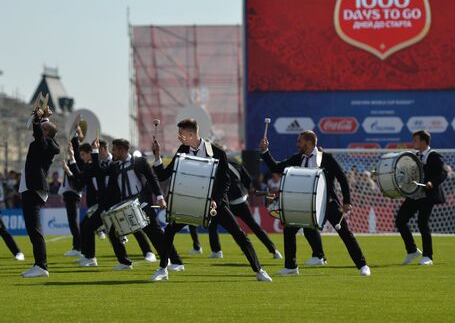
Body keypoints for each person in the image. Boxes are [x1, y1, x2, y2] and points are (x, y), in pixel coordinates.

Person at [150, 119, 272, 282]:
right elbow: (163, 175)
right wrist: (157, 156)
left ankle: (259, 270)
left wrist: (216, 200)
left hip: (213, 203)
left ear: (191, 134)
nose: (179, 137)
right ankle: (163, 269)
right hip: (190, 202)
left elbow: (226, 181)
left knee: (239, 235)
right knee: (170, 231)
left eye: (182, 134)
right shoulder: (182, 150)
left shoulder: (217, 152)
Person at [260, 130, 371, 276]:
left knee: (344, 232)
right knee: (289, 229)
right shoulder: (298, 158)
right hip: (304, 204)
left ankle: (363, 265)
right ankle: (291, 266)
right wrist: (265, 151)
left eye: (300, 141)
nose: (297, 144)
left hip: (328, 202)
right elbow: (276, 167)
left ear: (309, 142)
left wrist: (347, 200)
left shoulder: (326, 158)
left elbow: (342, 178)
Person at [96, 138, 183, 271]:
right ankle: (124, 262)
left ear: (121, 149)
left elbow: (152, 179)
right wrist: (95, 152)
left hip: (142, 203)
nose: (112, 152)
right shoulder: (114, 166)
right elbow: (100, 173)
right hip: (126, 205)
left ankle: (176, 262)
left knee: (155, 233)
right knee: (114, 232)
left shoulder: (139, 161)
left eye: (114, 149)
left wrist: (160, 197)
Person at [208, 158, 282, 260]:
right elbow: (248, 182)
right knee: (254, 227)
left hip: (227, 203)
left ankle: (217, 251)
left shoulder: (214, 166)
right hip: (241, 200)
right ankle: (274, 251)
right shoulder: (234, 162)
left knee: (216, 225)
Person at [19, 106, 60, 278]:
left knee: (34, 230)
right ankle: (39, 265)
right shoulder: (45, 143)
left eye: (42, 126)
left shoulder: (44, 144)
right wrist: (42, 117)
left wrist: (38, 118)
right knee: (33, 230)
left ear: (45, 132)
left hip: (34, 190)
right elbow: (38, 130)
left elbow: (38, 133)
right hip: (32, 189)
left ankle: (41, 266)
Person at [397, 130, 446, 266]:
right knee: (400, 220)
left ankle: (428, 256)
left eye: (416, 140)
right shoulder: (415, 156)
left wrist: (432, 183)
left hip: (427, 195)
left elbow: (443, 174)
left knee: (422, 224)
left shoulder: (434, 156)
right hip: (415, 195)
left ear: (424, 142)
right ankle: (412, 250)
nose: (414, 143)